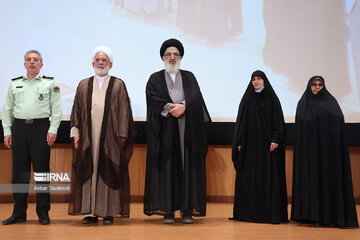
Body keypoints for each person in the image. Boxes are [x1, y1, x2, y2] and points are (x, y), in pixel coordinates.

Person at [144, 38, 211, 224]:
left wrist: (184, 106)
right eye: (168, 54)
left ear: (180, 57)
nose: (172, 57)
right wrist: (170, 108)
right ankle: (168, 210)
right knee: (168, 168)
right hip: (165, 132)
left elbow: (197, 99)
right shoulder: (155, 78)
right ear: (163, 57)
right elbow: (152, 99)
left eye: (175, 54)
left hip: (186, 132)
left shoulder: (189, 76)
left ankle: (187, 210)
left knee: (186, 167)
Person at [68, 46, 135, 225]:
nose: (100, 63)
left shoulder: (118, 84)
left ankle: (108, 212)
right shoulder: (83, 84)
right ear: (92, 63)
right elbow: (76, 111)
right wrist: (76, 135)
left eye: (104, 60)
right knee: (89, 171)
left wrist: (122, 135)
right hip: (88, 138)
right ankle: (90, 212)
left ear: (110, 64)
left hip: (110, 139)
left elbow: (124, 112)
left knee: (108, 172)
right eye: (97, 60)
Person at [2, 50, 62, 225]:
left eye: (36, 60)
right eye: (28, 59)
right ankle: (19, 213)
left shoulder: (50, 83)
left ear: (41, 64)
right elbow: (8, 111)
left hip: (41, 128)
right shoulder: (15, 84)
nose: (32, 62)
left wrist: (53, 130)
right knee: (19, 174)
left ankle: (43, 213)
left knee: (42, 173)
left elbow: (56, 110)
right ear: (24, 63)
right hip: (19, 129)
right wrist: (7, 131)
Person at [291, 76, 358, 228]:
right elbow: (300, 128)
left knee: (326, 183)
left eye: (320, 84)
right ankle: (310, 216)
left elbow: (338, 121)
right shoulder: (303, 104)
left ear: (324, 86)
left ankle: (329, 217)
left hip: (327, 155)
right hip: (309, 155)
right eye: (314, 84)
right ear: (309, 86)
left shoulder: (331, 103)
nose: (317, 87)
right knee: (311, 183)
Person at [230, 70, 288, 224]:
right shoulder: (247, 99)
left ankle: (268, 214)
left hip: (268, 147)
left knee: (268, 179)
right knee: (250, 179)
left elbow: (278, 122)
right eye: (253, 79)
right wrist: (240, 142)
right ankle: (247, 214)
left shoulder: (272, 99)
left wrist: (275, 139)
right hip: (250, 148)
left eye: (259, 79)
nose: (255, 81)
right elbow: (241, 123)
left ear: (264, 81)